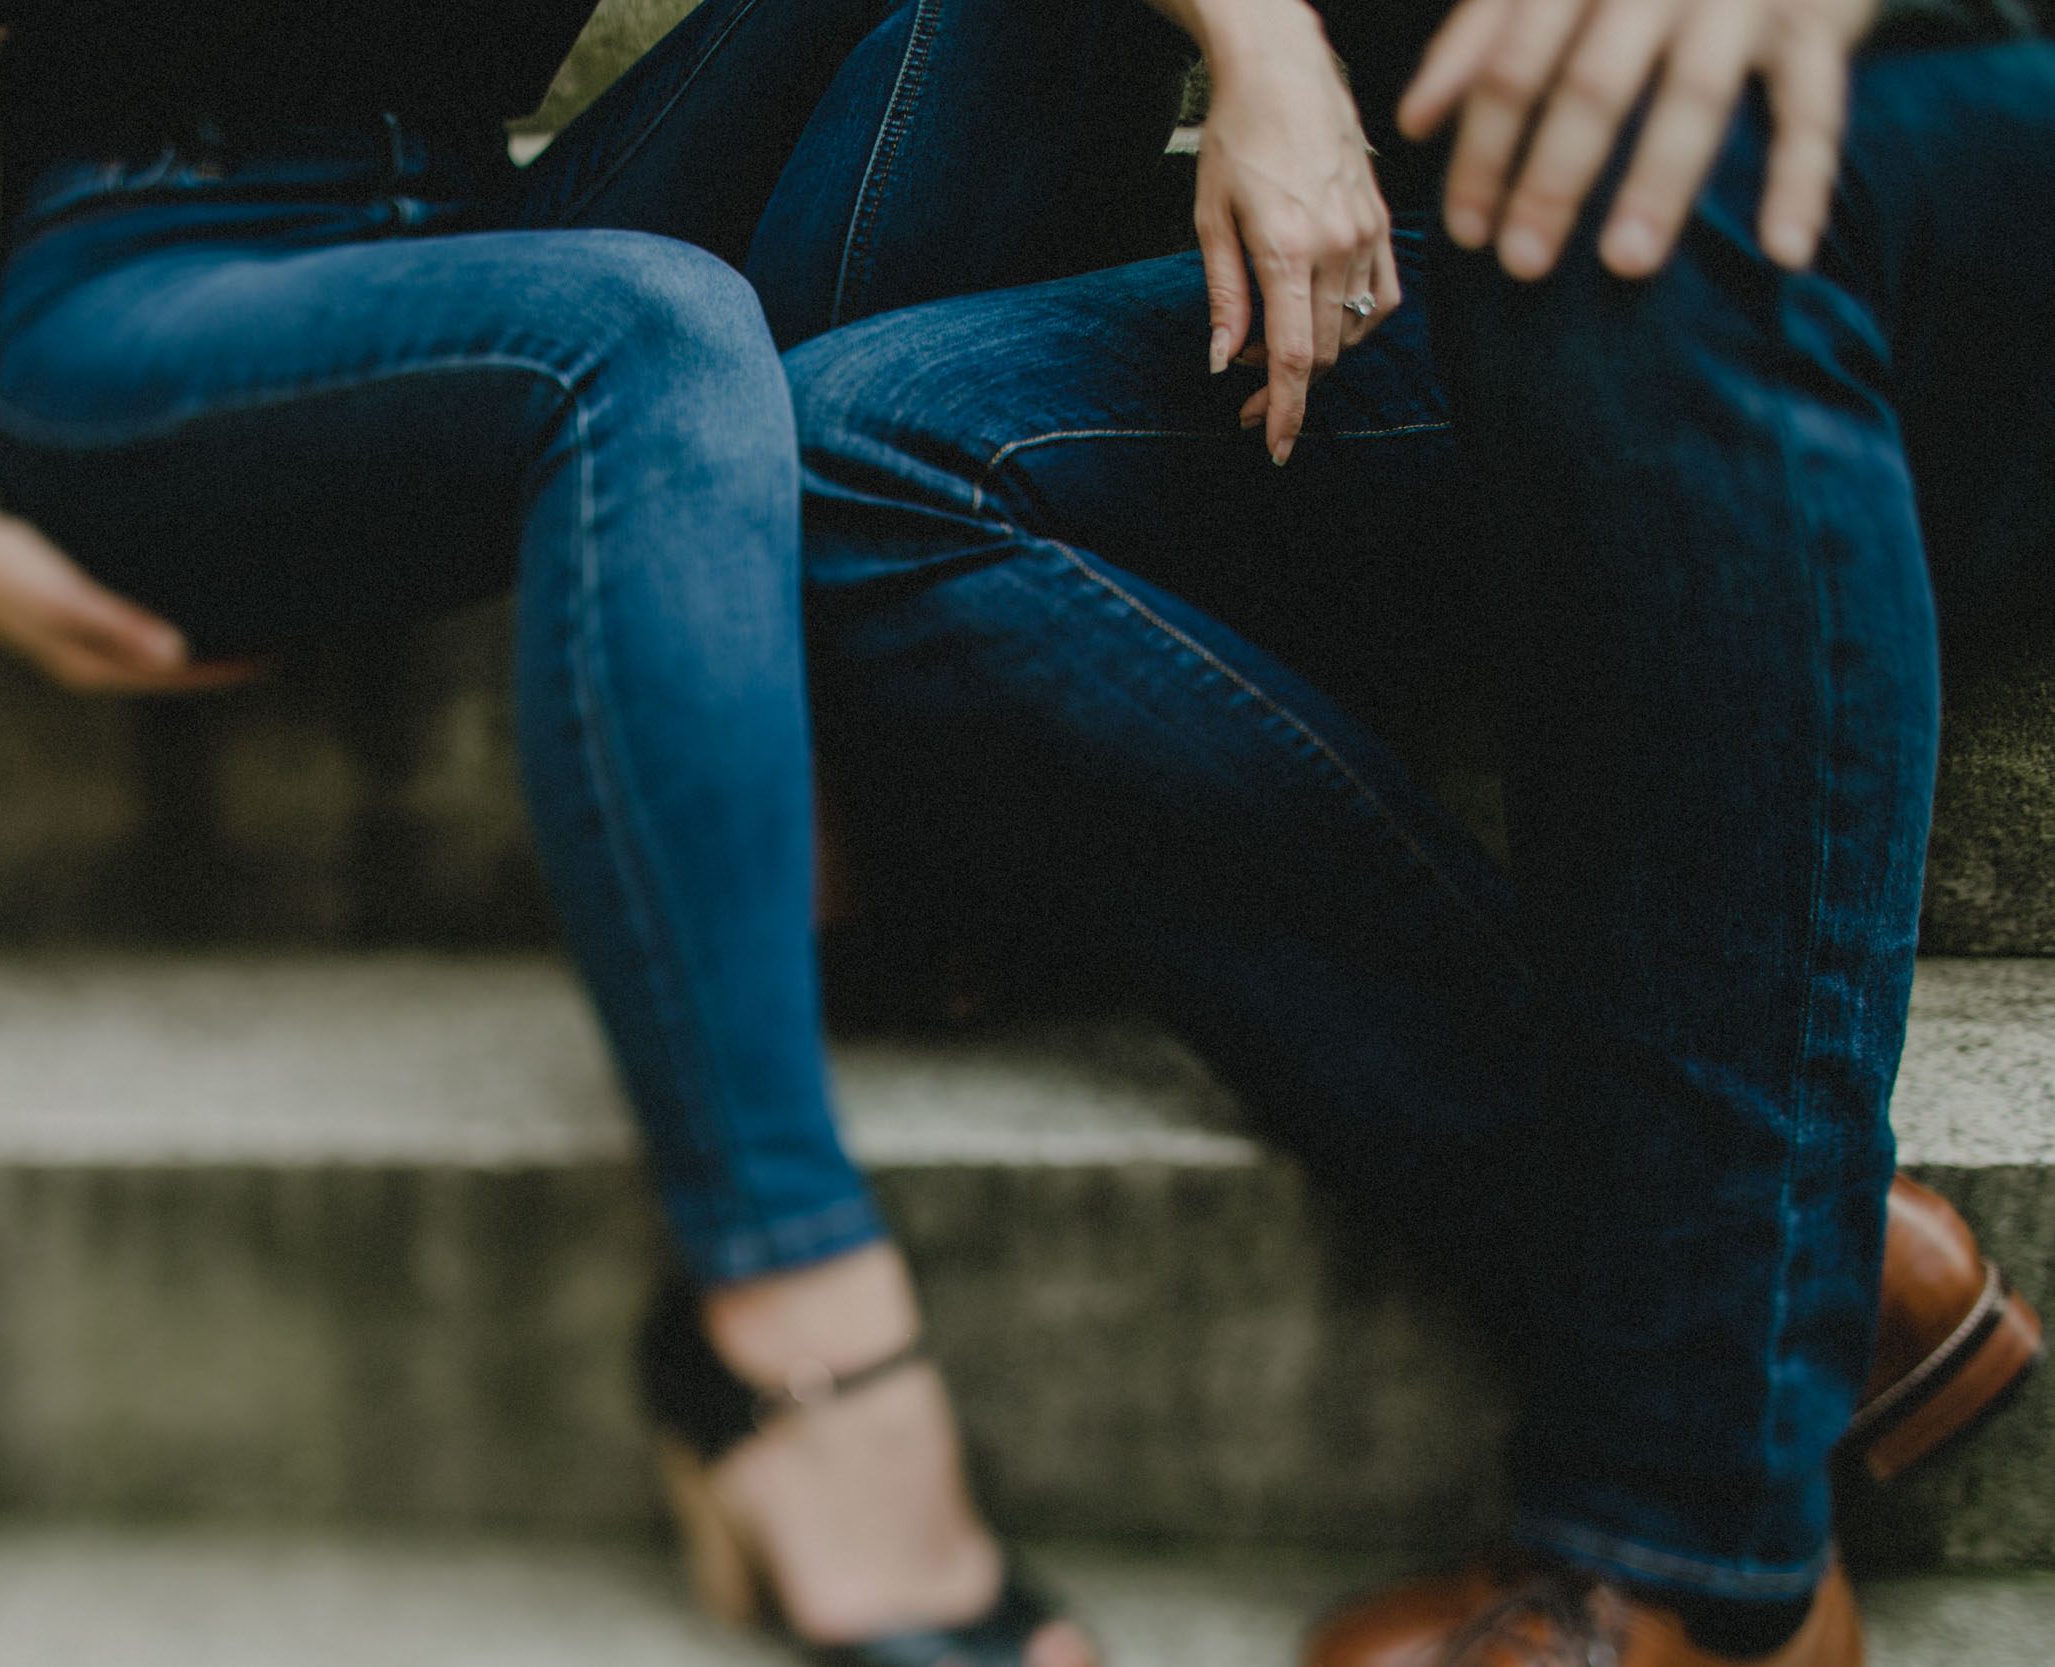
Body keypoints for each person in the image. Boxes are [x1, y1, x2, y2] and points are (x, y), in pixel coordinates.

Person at [0, 0, 1230, 1662]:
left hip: (467, 249)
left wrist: (1268, 53)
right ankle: (782, 1328)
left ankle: (830, 763)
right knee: (646, 327)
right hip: (149, 302)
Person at [786, 0, 2051, 1661]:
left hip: (1901, 186)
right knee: (848, 465)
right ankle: (1793, 1282)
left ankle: (1694, 1548)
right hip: (1506, 266)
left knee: (1652, 151)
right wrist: (1257, 41)